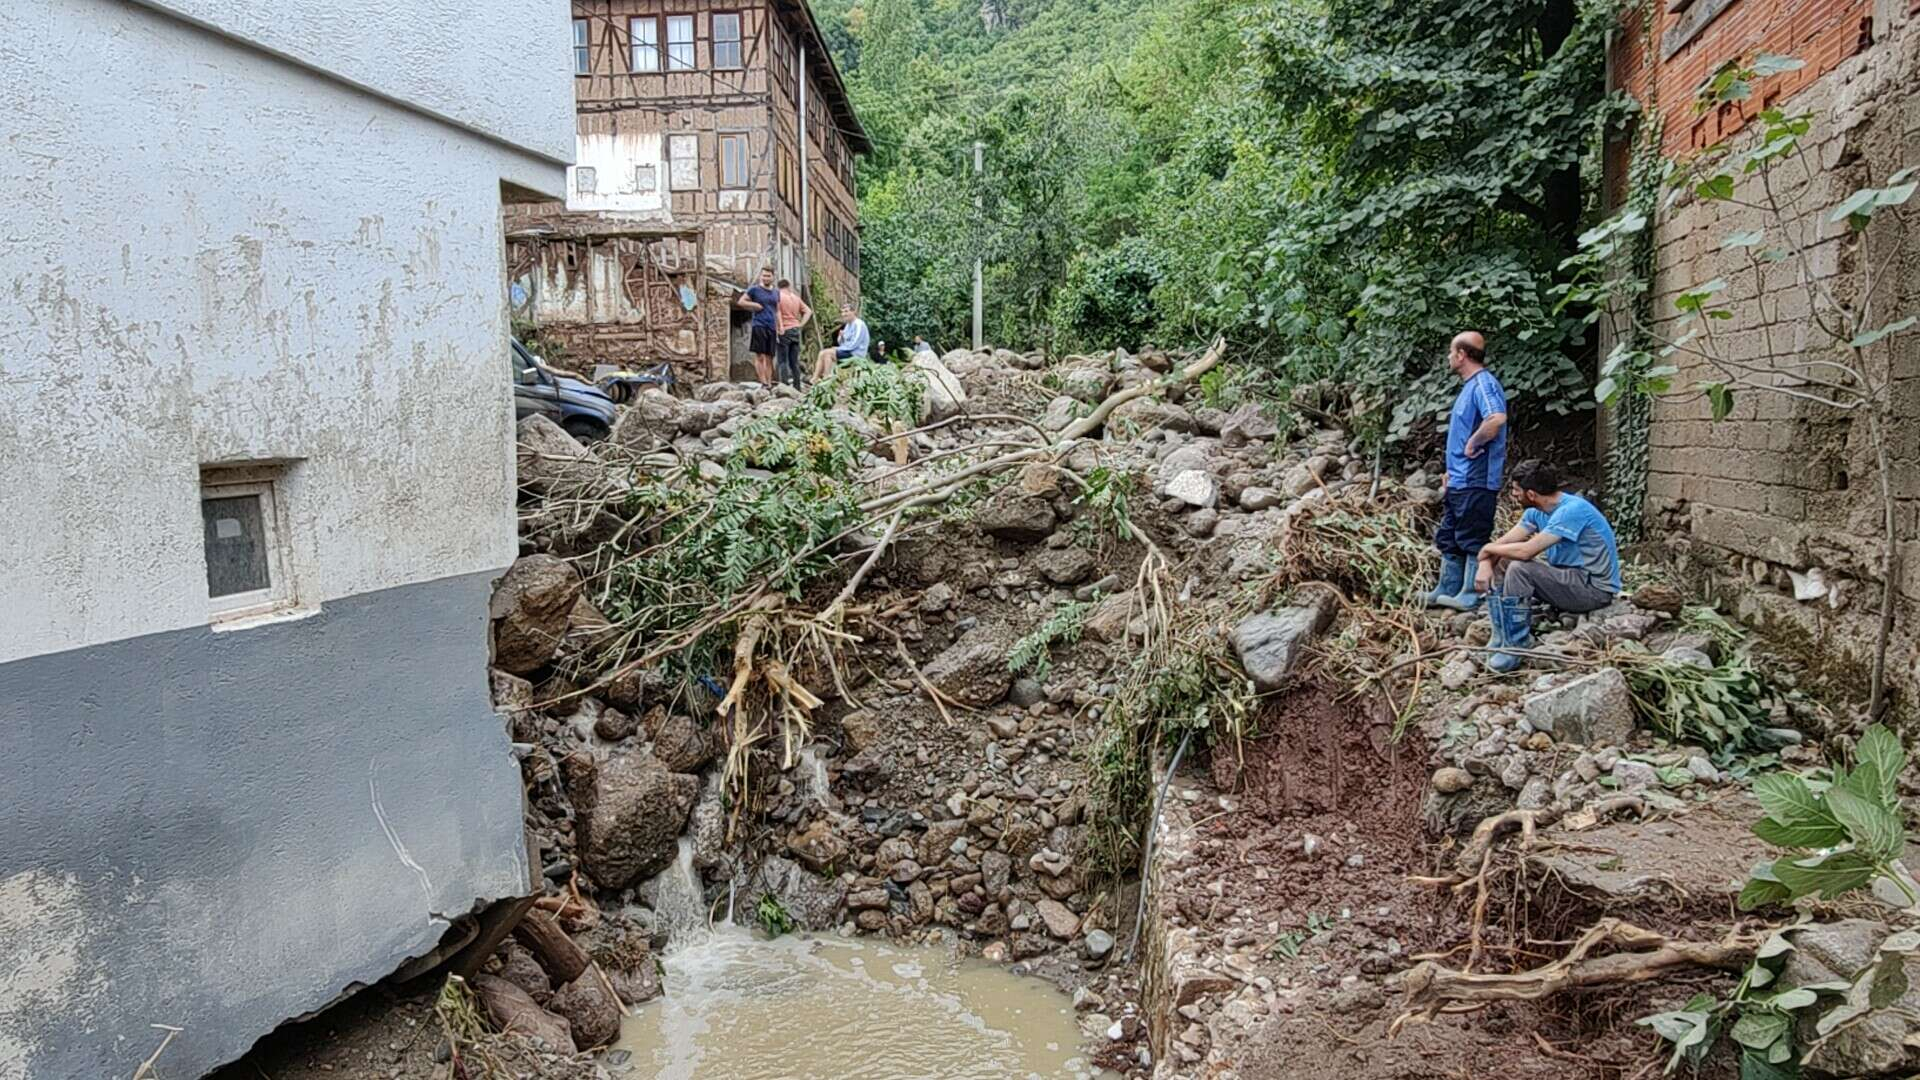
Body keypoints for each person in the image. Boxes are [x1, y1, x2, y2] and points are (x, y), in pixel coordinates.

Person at [1474, 460, 1623, 673]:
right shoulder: (1537, 511)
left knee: (1519, 567)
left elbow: (1526, 551)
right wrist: (1486, 562)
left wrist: (1487, 548)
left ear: (1532, 494)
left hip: (1593, 589)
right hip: (1568, 578)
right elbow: (1503, 545)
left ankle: (1517, 645)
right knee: (1505, 559)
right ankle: (1500, 637)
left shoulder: (1572, 510)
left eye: (1517, 491)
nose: (1514, 495)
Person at [1425, 330, 1509, 611]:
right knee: (1449, 534)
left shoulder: (1484, 384)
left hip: (1477, 479)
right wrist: (1451, 471)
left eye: (1452, 352)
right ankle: (1447, 588)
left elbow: (1496, 418)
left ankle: (1472, 593)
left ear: (1462, 355)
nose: (1449, 357)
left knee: (1473, 535)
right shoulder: (1469, 386)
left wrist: (1474, 442)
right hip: (1460, 479)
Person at [734, 266, 781, 385]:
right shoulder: (754, 290)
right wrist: (754, 305)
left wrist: (780, 325)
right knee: (760, 355)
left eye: (768, 276)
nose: (765, 278)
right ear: (761, 276)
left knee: (770, 357)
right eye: (763, 275)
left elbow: (778, 310)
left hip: (771, 326)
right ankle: (763, 382)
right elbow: (741, 301)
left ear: (773, 277)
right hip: (759, 325)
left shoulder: (776, 292)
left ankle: (769, 382)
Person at [815, 302, 870, 381]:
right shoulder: (848, 325)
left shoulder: (859, 324)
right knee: (822, 353)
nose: (844, 314)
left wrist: (838, 349)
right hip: (847, 351)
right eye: (842, 312)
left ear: (853, 312)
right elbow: (842, 343)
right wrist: (840, 337)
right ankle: (815, 379)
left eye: (846, 311)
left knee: (828, 353)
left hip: (856, 354)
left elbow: (854, 344)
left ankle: (826, 378)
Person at [774, 278, 812, 389]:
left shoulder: (778, 296)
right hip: (795, 329)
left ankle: (784, 386)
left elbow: (778, 312)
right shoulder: (796, 298)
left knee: (782, 360)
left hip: (784, 330)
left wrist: (780, 327)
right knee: (794, 361)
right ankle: (797, 386)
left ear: (779, 287)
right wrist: (801, 324)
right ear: (789, 286)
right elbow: (808, 311)